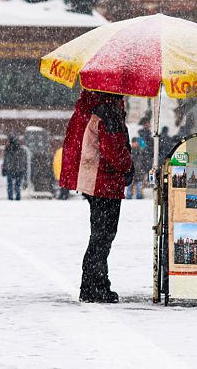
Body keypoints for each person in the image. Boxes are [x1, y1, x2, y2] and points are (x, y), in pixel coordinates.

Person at [59, 90, 132, 304]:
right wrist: (129, 165)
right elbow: (114, 150)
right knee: (103, 236)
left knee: (99, 235)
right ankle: (93, 286)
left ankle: (96, 283)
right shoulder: (107, 111)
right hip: (104, 181)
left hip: (92, 179)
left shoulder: (89, 106)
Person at [1, 133, 27, 201]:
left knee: (10, 185)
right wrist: (24, 170)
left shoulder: (7, 149)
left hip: (10, 169)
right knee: (17, 185)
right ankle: (18, 197)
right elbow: (24, 161)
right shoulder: (21, 149)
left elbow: (5, 160)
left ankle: (10, 198)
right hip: (19, 169)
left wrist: (3, 169)